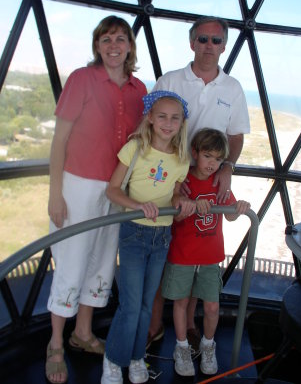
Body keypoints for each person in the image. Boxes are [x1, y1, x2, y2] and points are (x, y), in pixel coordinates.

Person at [45, 16, 147, 384]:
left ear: (131, 46)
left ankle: (82, 333)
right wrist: (56, 194)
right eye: (106, 39)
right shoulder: (81, 79)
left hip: (118, 187)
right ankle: (55, 342)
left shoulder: (139, 89)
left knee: (103, 262)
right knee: (71, 261)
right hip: (79, 184)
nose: (114, 45)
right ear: (97, 46)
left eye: (121, 38)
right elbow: (59, 140)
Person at [148, 15, 250, 352]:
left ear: (224, 46)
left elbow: (235, 135)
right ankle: (153, 325)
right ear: (192, 43)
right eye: (203, 39)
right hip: (170, 179)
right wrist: (172, 181)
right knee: (164, 250)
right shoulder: (171, 80)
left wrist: (227, 167)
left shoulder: (232, 88)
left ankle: (188, 325)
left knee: (191, 253)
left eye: (216, 40)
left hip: (206, 180)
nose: (209, 46)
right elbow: (152, 128)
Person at [101, 90, 196, 384]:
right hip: (134, 232)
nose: (168, 123)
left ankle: (136, 357)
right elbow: (113, 190)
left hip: (161, 236)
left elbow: (176, 190)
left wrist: (181, 199)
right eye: (162, 116)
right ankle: (113, 360)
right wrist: (138, 206)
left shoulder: (182, 158)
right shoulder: (136, 147)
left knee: (145, 304)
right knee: (130, 305)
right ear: (151, 119)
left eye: (175, 118)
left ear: (182, 123)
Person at [162, 128, 251, 377]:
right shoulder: (184, 181)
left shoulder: (219, 184)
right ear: (195, 153)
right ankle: (181, 348)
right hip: (183, 255)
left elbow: (231, 214)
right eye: (208, 156)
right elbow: (175, 215)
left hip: (211, 257)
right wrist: (189, 206)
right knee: (180, 303)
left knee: (212, 307)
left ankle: (207, 345)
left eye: (218, 159)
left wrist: (240, 206)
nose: (212, 164)